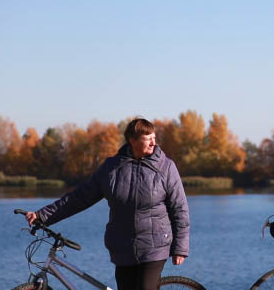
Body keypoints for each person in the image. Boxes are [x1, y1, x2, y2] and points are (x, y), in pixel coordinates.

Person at [25, 118, 190, 290]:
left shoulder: (166, 167)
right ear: (132, 140)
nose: (153, 143)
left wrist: (180, 247)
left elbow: (180, 209)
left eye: (154, 138)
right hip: (122, 248)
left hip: (154, 246)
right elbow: (80, 197)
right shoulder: (112, 168)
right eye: (148, 138)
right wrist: (42, 215)